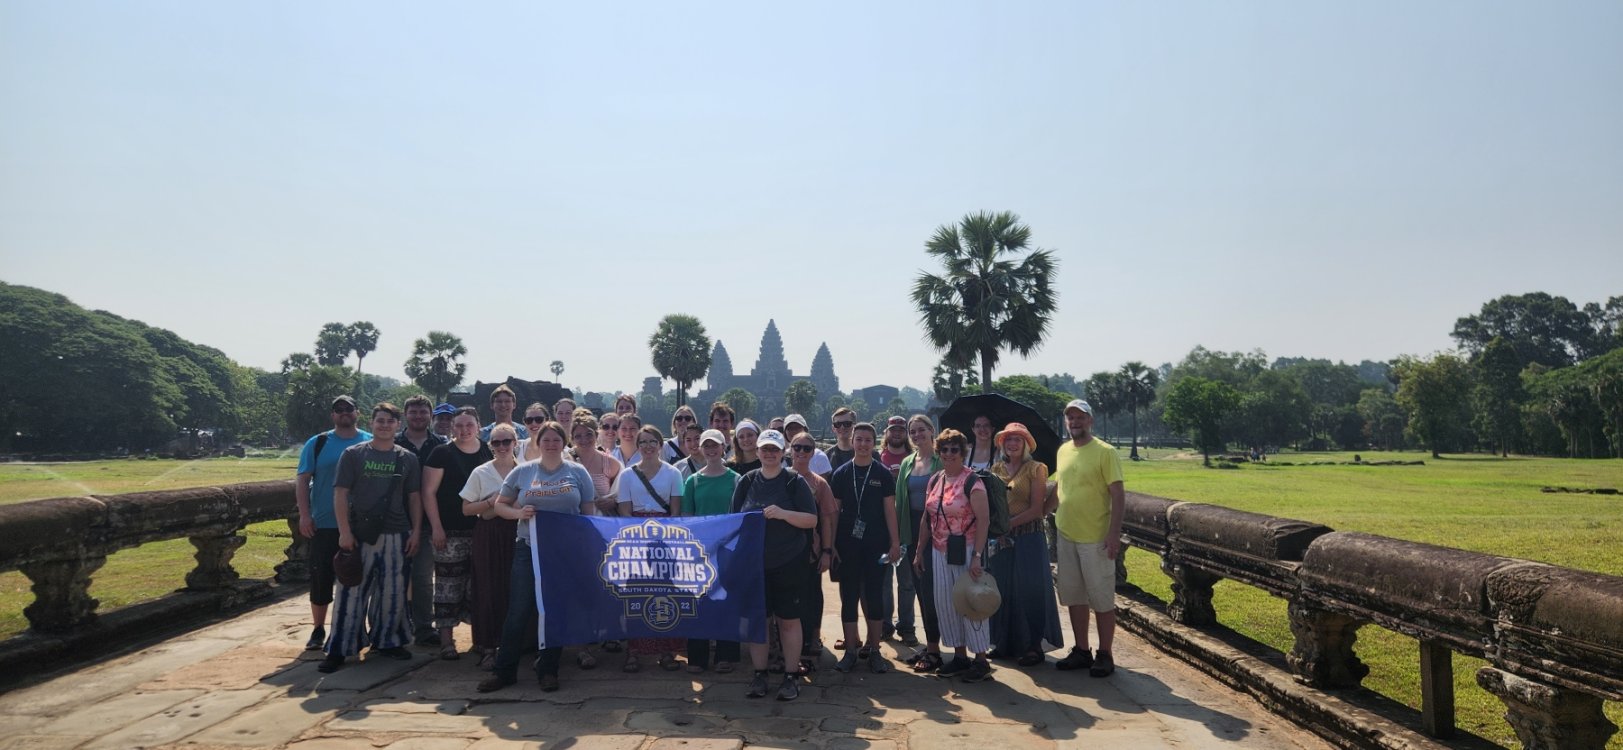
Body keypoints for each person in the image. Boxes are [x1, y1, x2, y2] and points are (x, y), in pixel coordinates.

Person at [477, 420, 596, 694]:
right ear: (538, 443)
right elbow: (500, 505)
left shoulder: (577, 472)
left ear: (564, 443)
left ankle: (548, 669)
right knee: (518, 610)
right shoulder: (524, 472)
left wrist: (584, 541)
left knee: (554, 610)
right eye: (546, 440)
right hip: (528, 548)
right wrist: (519, 514)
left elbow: (588, 511)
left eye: (557, 440)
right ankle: (504, 671)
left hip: (564, 552)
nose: (552, 444)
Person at [319, 402, 424, 673]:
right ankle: (340, 647)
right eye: (380, 421)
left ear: (397, 425)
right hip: (361, 533)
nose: (385, 426)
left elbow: (414, 497)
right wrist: (344, 531)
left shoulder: (407, 458)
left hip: (397, 531)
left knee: (393, 593)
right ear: (372, 423)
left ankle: (388, 640)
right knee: (351, 592)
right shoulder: (354, 455)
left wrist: (416, 530)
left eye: (390, 421)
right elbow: (340, 493)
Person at [731, 429, 819, 701]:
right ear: (756, 452)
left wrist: (782, 514)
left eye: (774, 449)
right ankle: (760, 674)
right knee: (759, 621)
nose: (769, 454)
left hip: (789, 562)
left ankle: (791, 676)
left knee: (789, 622)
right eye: (764, 449)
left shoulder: (794, 482)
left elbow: (811, 520)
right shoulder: (746, 481)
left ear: (783, 453)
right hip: (755, 564)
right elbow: (733, 520)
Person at [1052, 400, 1126, 678]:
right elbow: (1061, 489)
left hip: (1096, 537)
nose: (1075, 422)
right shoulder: (1063, 451)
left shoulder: (1105, 452)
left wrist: (1114, 534)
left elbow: (1118, 495)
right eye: (1070, 418)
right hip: (1066, 534)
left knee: (1102, 599)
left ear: (1090, 420)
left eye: (1080, 417)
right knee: (1074, 597)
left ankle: (1104, 653)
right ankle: (1082, 649)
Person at [294, 395, 372, 651]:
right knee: (320, 575)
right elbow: (303, 480)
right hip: (324, 521)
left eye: (348, 409)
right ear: (332, 415)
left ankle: (356, 626)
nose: (343, 414)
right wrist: (305, 515)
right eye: (338, 410)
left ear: (357, 413)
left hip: (361, 522)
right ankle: (318, 628)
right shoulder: (318, 443)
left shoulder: (368, 441)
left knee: (359, 577)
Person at [916, 428, 993, 683]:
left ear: (963, 452)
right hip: (940, 550)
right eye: (945, 449)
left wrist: (978, 556)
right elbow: (927, 517)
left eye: (955, 450)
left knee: (971, 602)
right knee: (946, 604)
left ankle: (980, 658)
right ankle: (959, 655)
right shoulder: (936, 479)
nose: (949, 454)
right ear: (939, 452)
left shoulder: (972, 482)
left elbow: (984, 520)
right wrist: (919, 550)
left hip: (968, 549)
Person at [989, 422, 1063, 666]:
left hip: (1028, 535)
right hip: (1001, 538)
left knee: (1031, 589)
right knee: (1003, 589)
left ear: (1026, 445)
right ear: (1002, 443)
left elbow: (1036, 510)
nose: (1012, 444)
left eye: (1017, 440)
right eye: (1008, 439)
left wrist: (1008, 524)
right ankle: (1004, 641)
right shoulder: (996, 468)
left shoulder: (1036, 469)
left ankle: (1034, 644)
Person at [421, 410, 493, 660]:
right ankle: (446, 640)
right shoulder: (442, 453)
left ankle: (480, 639)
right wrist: (437, 527)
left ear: (478, 426)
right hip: (449, 529)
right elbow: (428, 492)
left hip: (481, 528)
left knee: (479, 585)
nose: (464, 430)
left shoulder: (487, 450)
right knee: (447, 585)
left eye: (469, 425)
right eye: (459, 425)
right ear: (452, 427)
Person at [616, 425, 686, 672]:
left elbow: (676, 510)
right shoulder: (627, 475)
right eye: (642, 442)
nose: (647, 446)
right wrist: (639, 537)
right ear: (637, 446)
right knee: (636, 594)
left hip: (665, 539)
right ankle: (634, 650)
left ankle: (667, 650)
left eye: (652, 441)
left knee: (665, 593)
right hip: (636, 538)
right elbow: (624, 511)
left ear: (660, 444)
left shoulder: (673, 473)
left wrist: (664, 537)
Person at [830, 422, 899, 673]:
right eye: (858, 439)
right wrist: (831, 544)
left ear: (874, 442)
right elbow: (834, 512)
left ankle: (875, 650)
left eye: (867, 440)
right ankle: (850, 651)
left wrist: (894, 543)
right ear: (853, 441)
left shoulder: (881, 474)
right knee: (848, 596)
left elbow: (889, 511)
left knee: (874, 596)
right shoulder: (841, 474)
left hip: (876, 544)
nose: (862, 444)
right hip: (847, 545)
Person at [459, 422, 520, 671]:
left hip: (519, 532)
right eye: (497, 442)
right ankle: (488, 645)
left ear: (516, 442)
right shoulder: (481, 472)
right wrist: (491, 504)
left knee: (517, 588)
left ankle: (518, 643)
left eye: (507, 441)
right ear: (490, 445)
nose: (502, 446)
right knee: (488, 588)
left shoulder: (526, 470)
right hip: (490, 534)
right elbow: (466, 508)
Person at [681, 429, 741, 674]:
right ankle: (697, 656)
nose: (710, 449)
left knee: (726, 602)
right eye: (706, 445)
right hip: (701, 550)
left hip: (728, 548)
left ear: (724, 446)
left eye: (714, 445)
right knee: (699, 602)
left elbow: (739, 515)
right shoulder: (693, 481)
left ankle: (726, 655)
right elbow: (687, 517)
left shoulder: (736, 479)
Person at [568, 411, 622, 666]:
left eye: (588, 434)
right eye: (578, 435)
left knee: (604, 583)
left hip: (602, 531)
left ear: (596, 434)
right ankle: (581, 643)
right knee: (579, 587)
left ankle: (607, 633)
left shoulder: (610, 463)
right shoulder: (565, 460)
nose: (584, 439)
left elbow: (621, 496)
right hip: (574, 532)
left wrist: (608, 499)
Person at [396, 395, 444, 647]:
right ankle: (397, 625)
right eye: (413, 412)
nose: (418, 416)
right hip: (396, 519)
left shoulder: (439, 444)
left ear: (430, 415)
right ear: (406, 415)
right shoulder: (394, 444)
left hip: (428, 519)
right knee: (395, 576)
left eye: (422, 412)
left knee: (424, 577)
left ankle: (424, 626)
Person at [790, 429, 839, 667]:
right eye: (797, 447)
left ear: (813, 453)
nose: (801, 452)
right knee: (789, 600)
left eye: (806, 449)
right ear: (790, 450)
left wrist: (827, 551)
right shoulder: (779, 478)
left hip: (811, 549)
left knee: (811, 597)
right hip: (783, 551)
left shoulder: (819, 484)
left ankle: (811, 641)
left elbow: (827, 519)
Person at [895, 415, 942, 664]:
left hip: (937, 531)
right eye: (912, 432)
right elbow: (900, 501)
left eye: (921, 430)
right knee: (920, 589)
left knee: (935, 590)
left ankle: (936, 647)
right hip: (912, 530)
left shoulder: (941, 460)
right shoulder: (908, 462)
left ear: (932, 431)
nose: (916, 435)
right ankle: (931, 644)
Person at [826, 407, 857, 472]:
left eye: (847, 424)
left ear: (854, 426)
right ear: (833, 428)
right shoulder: (826, 456)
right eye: (837, 424)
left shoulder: (867, 454)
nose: (842, 427)